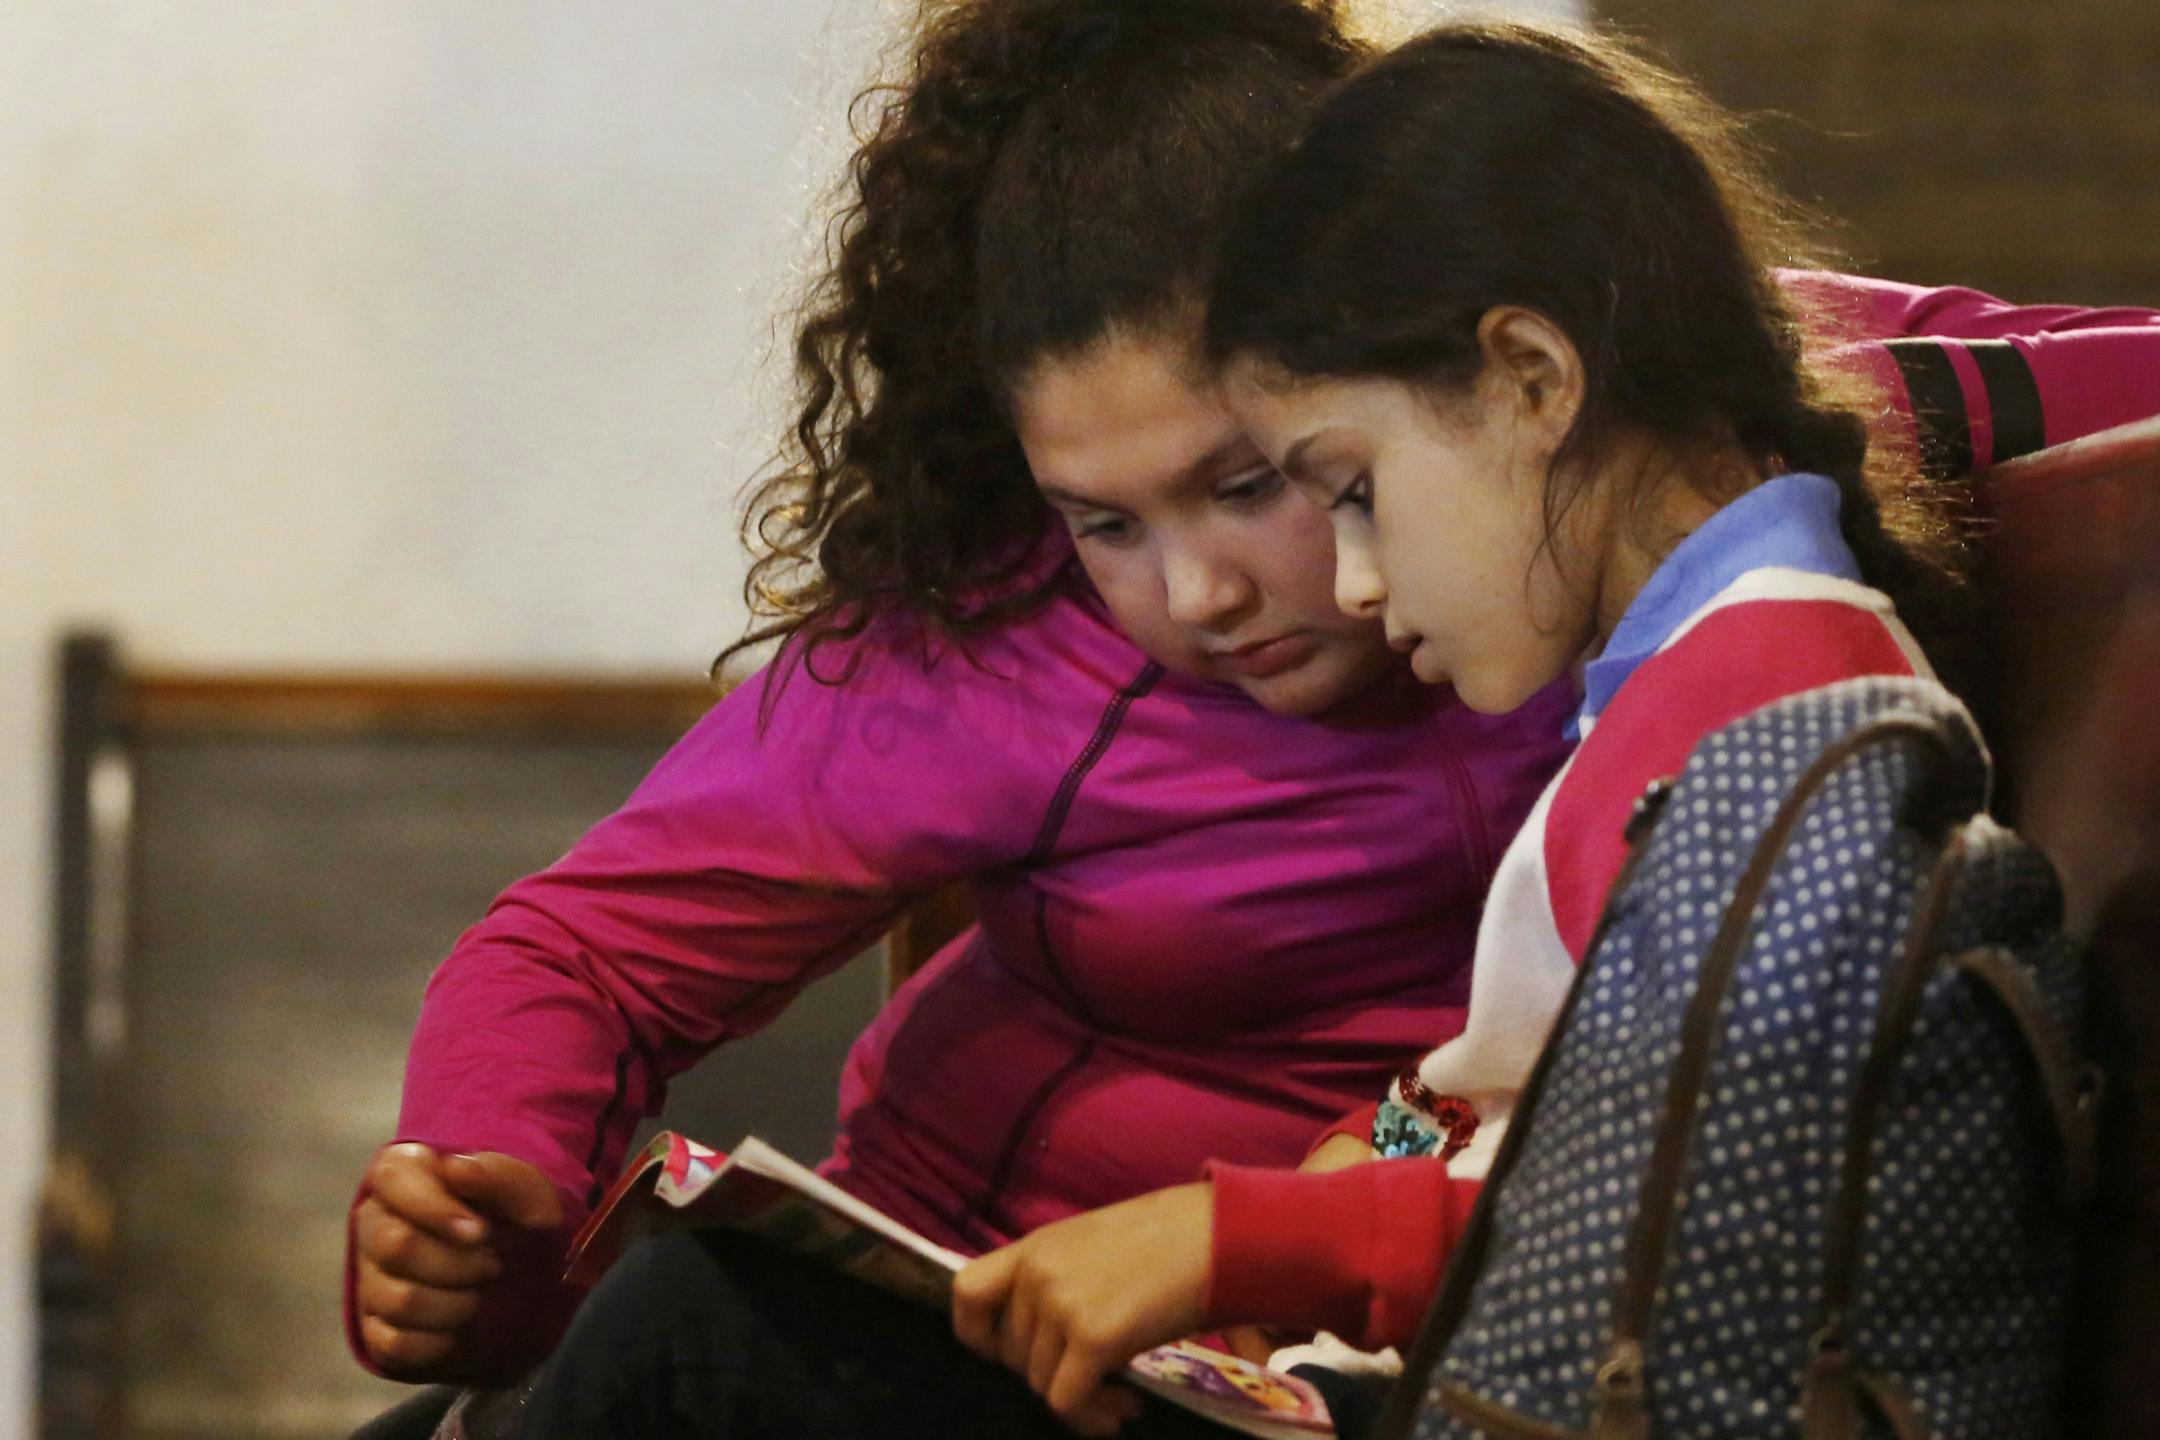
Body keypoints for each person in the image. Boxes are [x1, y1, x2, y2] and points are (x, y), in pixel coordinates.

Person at [348, 0, 2160, 1429]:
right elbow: (581, 951)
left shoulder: (1690, 555)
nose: (1204, 594)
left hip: (1311, 1339)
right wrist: (483, 1193)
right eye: (1102, 524)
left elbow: (1585, 1169)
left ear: (1501, 365)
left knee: (687, 1340)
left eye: (1281, 481)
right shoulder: (1002, 643)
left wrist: (1286, 1220)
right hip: (1019, 1293)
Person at [937, 18, 2160, 1436]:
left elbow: (1676, 1246)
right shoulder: (1670, 687)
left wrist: (1255, 1242)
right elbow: (1485, 1089)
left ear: (1531, 377)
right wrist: (1351, 1160)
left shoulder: (1784, 721)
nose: (1356, 581)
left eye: (1353, 489)